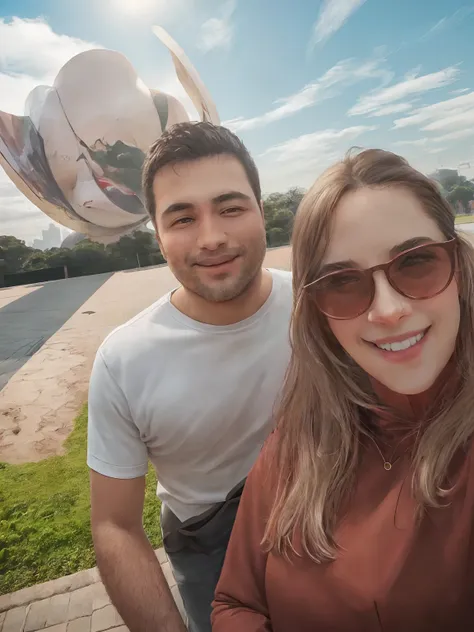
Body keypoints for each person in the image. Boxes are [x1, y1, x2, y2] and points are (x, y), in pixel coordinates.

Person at [212, 148, 474, 631]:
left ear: (458, 266)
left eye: (416, 262)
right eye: (343, 282)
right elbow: (235, 601)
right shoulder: (300, 437)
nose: (388, 309)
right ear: (316, 310)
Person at [87, 122, 292, 632]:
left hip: (334, 513)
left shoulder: (322, 307)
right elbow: (114, 525)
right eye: (182, 218)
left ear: (260, 211)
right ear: (157, 235)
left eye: (230, 208)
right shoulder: (123, 360)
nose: (212, 237)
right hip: (209, 548)